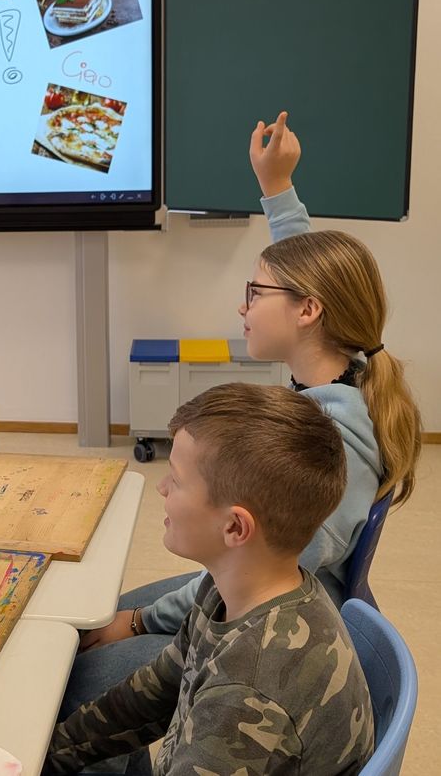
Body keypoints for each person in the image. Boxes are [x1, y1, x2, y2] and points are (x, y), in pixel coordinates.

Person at [61, 111, 422, 724]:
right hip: (253, 586)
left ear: (309, 311)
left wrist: (144, 621)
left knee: (75, 685)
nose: (243, 305)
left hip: (273, 626)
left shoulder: (332, 437)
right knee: (97, 621)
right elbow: (303, 260)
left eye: (256, 293)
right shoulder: (344, 366)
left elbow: (266, 572)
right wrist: (278, 187)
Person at [43, 383, 374, 775]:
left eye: (177, 481)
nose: (161, 487)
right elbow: (157, 690)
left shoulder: (247, 695)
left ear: (235, 527)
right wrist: (50, 755)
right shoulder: (229, 590)